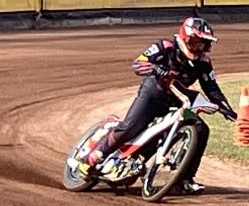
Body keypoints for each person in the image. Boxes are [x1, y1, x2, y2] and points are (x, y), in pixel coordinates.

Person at [81, 16, 237, 195]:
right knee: (130, 126)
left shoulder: (204, 63)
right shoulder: (165, 46)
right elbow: (138, 64)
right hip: (152, 94)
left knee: (201, 129)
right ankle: (91, 158)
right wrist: (155, 69)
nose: (200, 48)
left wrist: (227, 109)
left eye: (204, 44)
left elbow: (212, 88)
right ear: (186, 37)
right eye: (197, 42)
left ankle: (184, 180)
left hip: (177, 100)